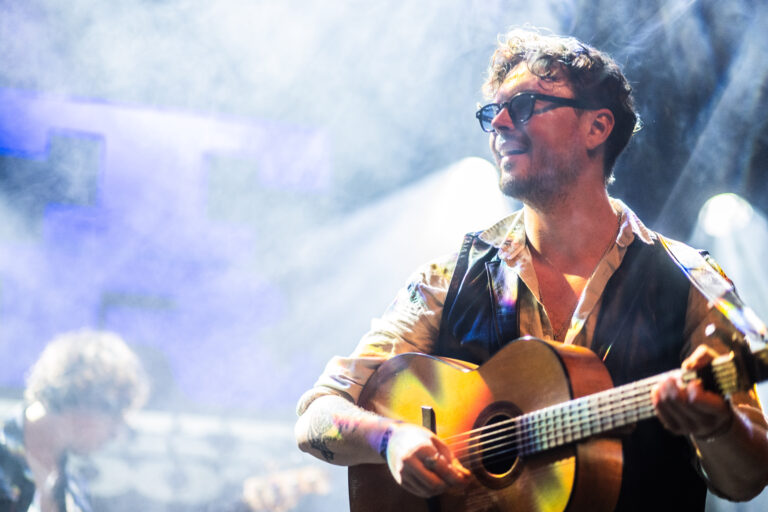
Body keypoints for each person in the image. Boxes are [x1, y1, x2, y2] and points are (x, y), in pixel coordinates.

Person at [294, 28, 768, 510]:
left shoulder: (692, 280)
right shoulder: (447, 279)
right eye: (491, 112)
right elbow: (316, 417)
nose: (498, 122)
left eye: (523, 105)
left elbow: (748, 480)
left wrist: (717, 426)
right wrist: (389, 440)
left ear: (597, 127)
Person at [0, 329, 150, 512]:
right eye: (115, 418)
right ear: (86, 399)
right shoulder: (3, 456)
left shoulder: (74, 490)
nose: (115, 434)